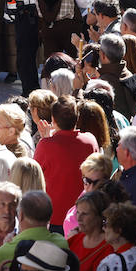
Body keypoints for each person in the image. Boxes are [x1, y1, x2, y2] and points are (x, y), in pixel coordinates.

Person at [33, 96, 98, 229]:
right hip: (84, 214)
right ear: (77, 118)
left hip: (55, 218)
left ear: (53, 120)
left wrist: (46, 139)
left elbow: (35, 176)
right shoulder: (90, 141)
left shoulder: (45, 145)